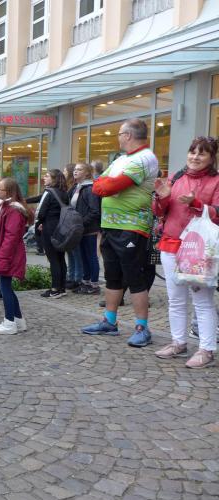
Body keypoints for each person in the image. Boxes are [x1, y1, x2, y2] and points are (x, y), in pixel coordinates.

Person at [82, 118, 158, 347]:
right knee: (113, 276)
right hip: (111, 226)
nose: (118, 138)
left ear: (128, 135)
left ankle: (142, 327)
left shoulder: (145, 158)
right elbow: (97, 185)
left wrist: (106, 184)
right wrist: (104, 184)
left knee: (135, 278)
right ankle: (109, 321)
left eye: (119, 134)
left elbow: (109, 186)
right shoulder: (121, 160)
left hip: (132, 227)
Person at [153, 137, 219, 368]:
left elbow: (218, 212)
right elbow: (160, 212)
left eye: (202, 153)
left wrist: (197, 204)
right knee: (176, 299)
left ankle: (206, 349)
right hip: (171, 244)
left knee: (202, 301)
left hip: (199, 249)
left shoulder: (216, 180)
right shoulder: (177, 177)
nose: (195, 157)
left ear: (211, 157)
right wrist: (161, 197)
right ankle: (178, 342)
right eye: (192, 152)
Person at [0, 178, 34, 334]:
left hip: (9, 254)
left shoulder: (14, 210)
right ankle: (18, 321)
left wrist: (3, 258)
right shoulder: (4, 206)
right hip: (5, 253)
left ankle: (9, 322)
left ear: (9, 192)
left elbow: (10, 237)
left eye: (0, 189)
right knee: (6, 287)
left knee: (5, 287)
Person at [36, 169, 69, 298]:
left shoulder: (49, 192)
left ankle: (55, 289)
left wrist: (39, 222)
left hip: (49, 228)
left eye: (47, 176)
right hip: (61, 228)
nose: (44, 178)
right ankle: (62, 287)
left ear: (54, 179)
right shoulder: (64, 192)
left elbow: (41, 212)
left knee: (53, 259)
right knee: (60, 258)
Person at [70, 162, 101, 295]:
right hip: (79, 229)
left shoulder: (89, 188)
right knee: (83, 257)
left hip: (88, 229)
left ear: (87, 173)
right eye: (75, 169)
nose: (75, 171)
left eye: (79, 169)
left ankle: (94, 284)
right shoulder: (77, 187)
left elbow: (95, 211)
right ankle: (86, 282)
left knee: (91, 256)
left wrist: (81, 223)